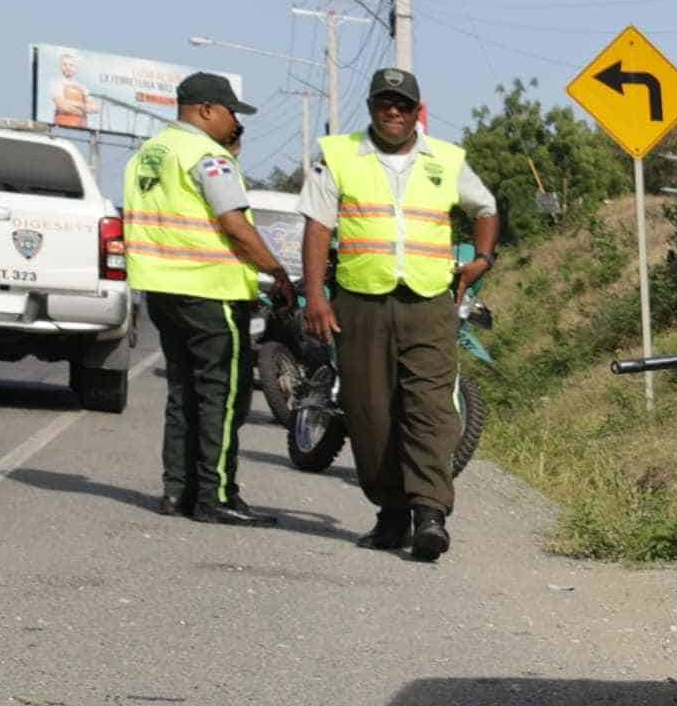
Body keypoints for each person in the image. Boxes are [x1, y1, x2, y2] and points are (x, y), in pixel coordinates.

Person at [301, 68, 501, 562]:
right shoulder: (338, 155)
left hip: (429, 303)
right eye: (384, 103)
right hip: (360, 301)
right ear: (370, 108)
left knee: (430, 408)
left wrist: (482, 258)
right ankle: (391, 513)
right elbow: (317, 227)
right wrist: (315, 296)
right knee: (369, 410)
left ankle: (430, 514)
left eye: (403, 105)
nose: (393, 112)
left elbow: (486, 207)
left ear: (417, 111)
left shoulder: (446, 158)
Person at [121, 74, 296, 524]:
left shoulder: (149, 152)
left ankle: (176, 491)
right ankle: (216, 495)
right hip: (209, 290)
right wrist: (275, 271)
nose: (235, 122)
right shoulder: (207, 156)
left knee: (183, 390)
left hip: (161, 289)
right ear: (204, 110)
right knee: (223, 393)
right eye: (231, 112)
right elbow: (234, 223)